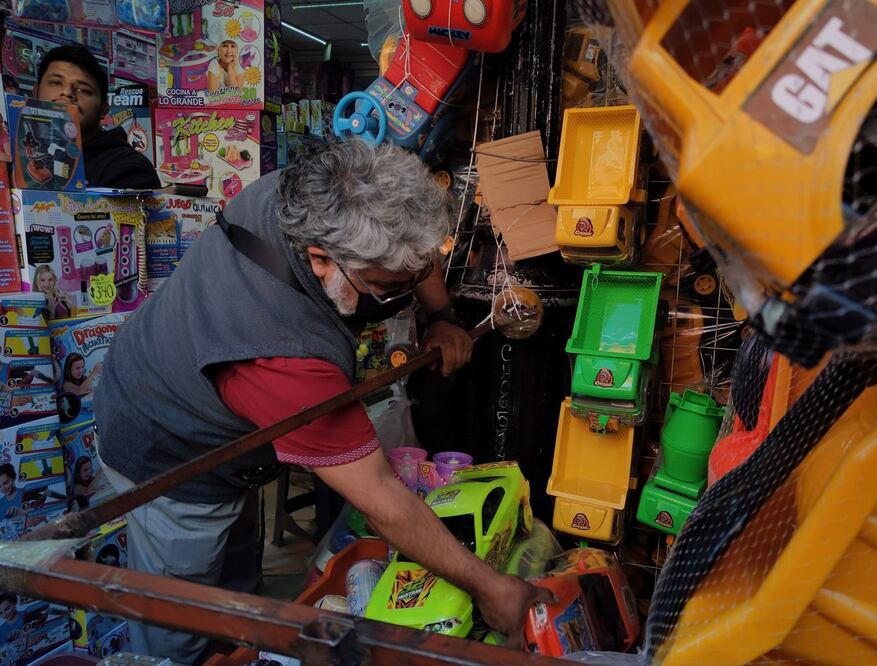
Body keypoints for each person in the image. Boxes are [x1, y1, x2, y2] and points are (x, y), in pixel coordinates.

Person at [95, 140, 548, 663]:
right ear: (320, 259)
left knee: (236, 591)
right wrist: (491, 588)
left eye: (415, 275)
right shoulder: (284, 356)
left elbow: (412, 255)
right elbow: (380, 495)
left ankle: (235, 642)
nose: (403, 295)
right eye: (387, 286)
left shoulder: (316, 194)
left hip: (223, 430)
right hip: (167, 452)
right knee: (180, 618)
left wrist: (443, 316)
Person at [34, 45, 161, 190]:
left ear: (103, 110)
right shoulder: (20, 149)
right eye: (56, 82)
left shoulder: (129, 168)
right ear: (36, 93)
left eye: (83, 90)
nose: (67, 92)